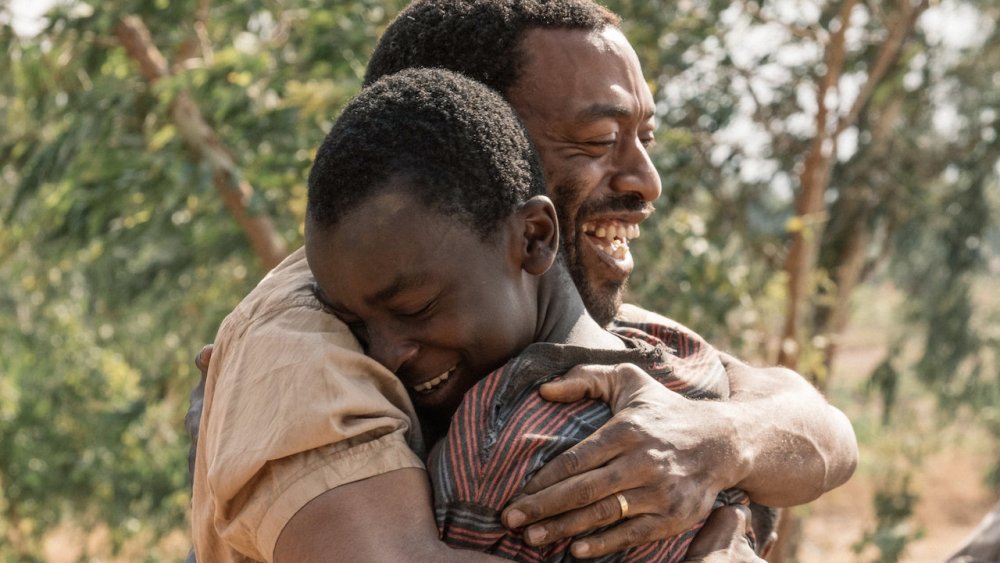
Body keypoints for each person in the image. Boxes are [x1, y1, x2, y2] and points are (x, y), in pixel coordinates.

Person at [189, 1, 858, 561]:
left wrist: (720, 440)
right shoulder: (302, 331)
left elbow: (821, 428)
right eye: (597, 141)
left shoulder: (542, 311)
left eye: (644, 137)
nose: (646, 181)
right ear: (472, 137)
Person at [305, 65, 750, 562]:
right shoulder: (685, 357)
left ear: (534, 237)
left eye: (417, 308)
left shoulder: (492, 453)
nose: (384, 356)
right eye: (357, 324)